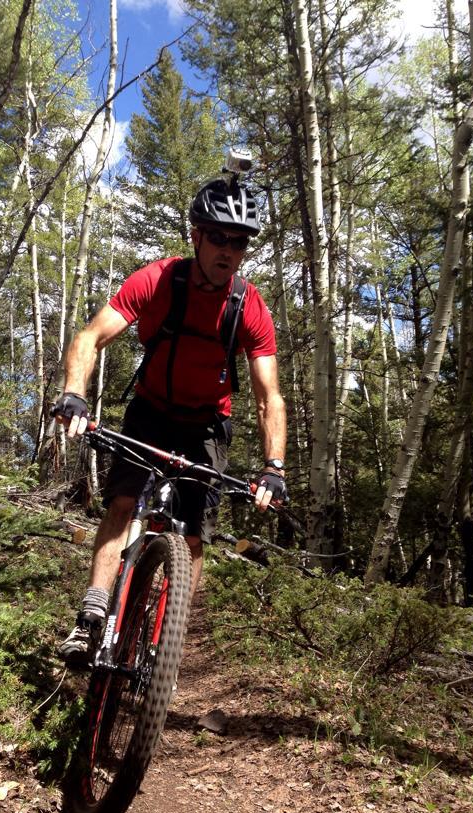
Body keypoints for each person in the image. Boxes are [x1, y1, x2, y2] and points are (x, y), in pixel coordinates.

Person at [51, 171, 287, 665]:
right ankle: (90, 615)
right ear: (196, 235)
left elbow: (269, 396)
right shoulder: (156, 281)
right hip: (151, 410)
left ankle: (169, 640)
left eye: (239, 242)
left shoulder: (248, 305)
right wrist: (74, 394)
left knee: (195, 533)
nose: (228, 250)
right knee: (121, 503)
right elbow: (91, 337)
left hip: (206, 424)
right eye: (218, 237)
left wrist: (274, 467)